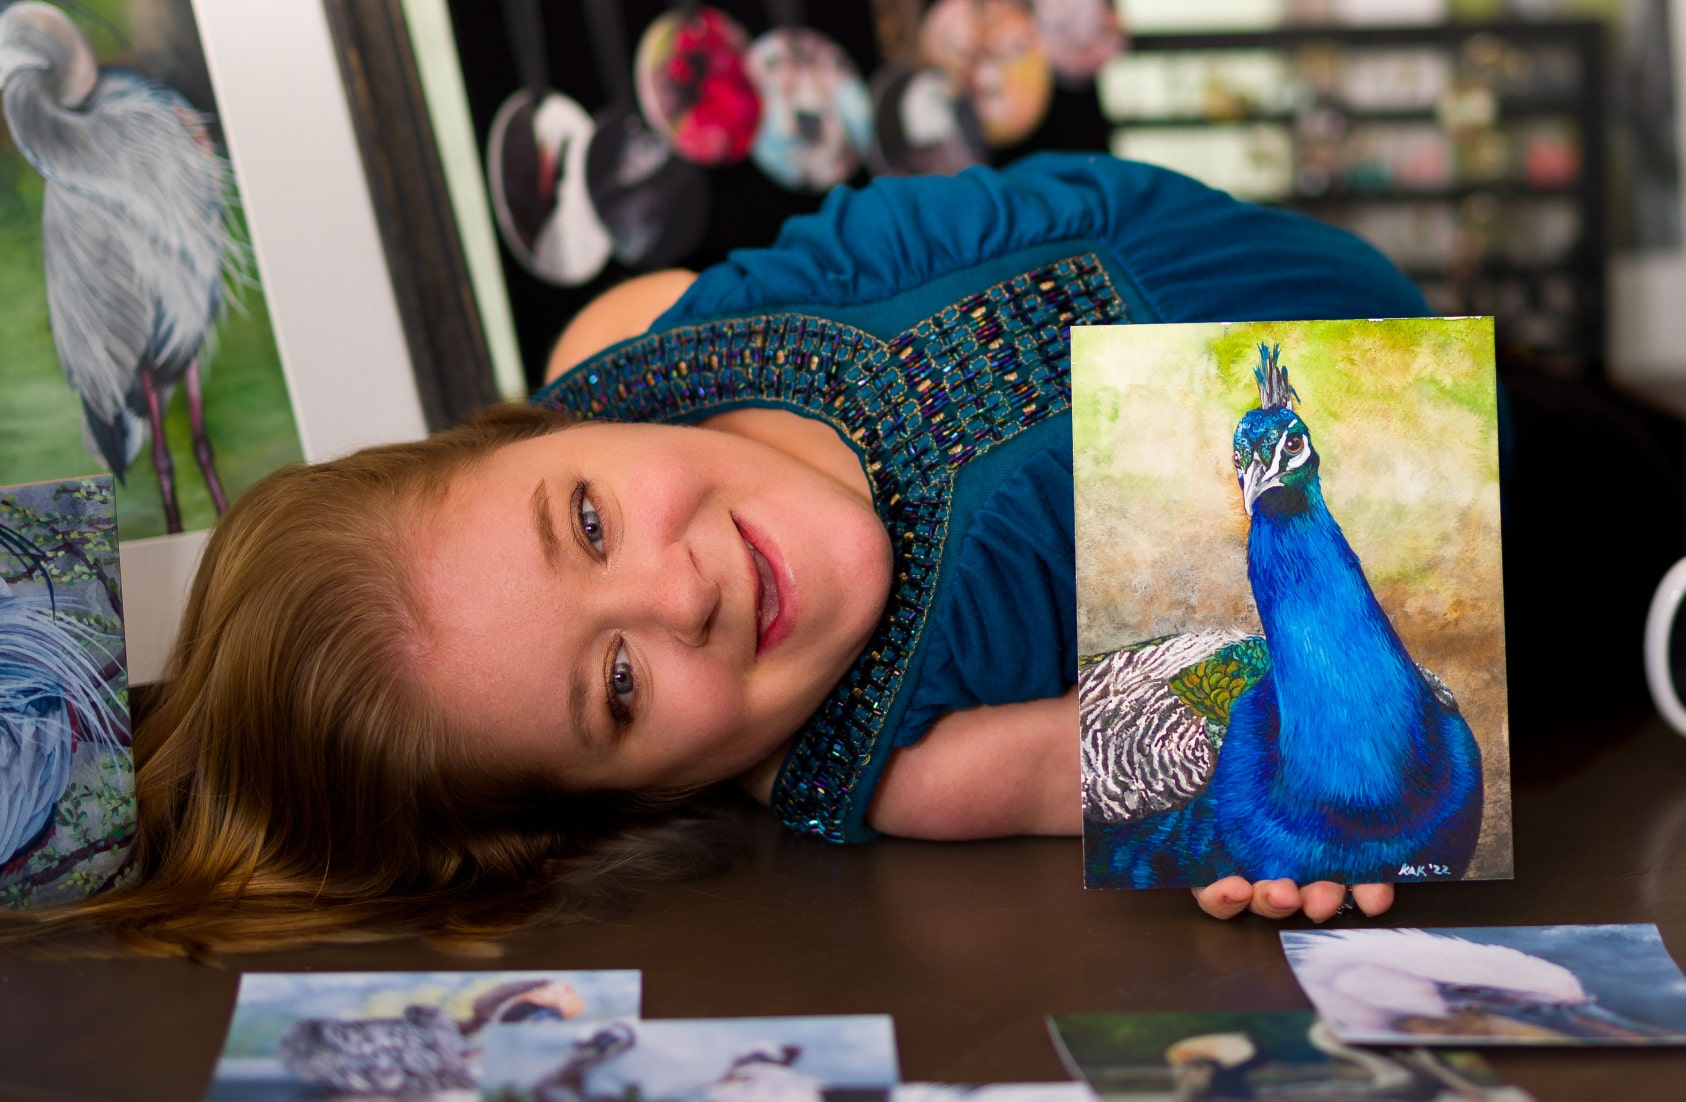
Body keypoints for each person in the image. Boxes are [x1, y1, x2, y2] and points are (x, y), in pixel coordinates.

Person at [5, 153, 1430, 957]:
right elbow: (1224, 740)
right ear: (630, 796)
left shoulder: (631, 352)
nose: (679, 590)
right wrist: (1282, 831)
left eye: (585, 521)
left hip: (1308, 234)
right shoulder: (907, 763)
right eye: (616, 689)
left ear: (522, 429)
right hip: (1418, 467)